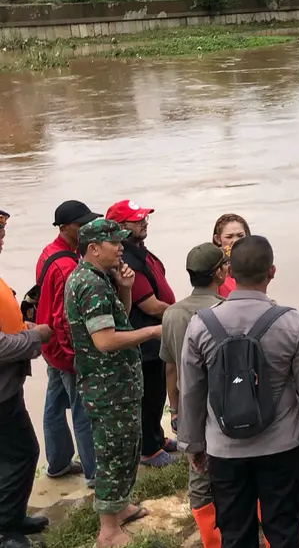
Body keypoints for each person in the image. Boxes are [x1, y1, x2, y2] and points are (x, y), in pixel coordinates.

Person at [179, 236, 299, 548]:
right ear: (272, 271)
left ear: (228, 273)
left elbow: (191, 391)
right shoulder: (291, 322)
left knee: (236, 535)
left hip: (224, 450)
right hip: (282, 447)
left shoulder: (200, 324)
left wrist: (193, 443)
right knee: (284, 533)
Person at [65, 219, 162, 548]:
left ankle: (119, 507)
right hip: (108, 386)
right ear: (93, 248)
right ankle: (108, 530)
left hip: (117, 383)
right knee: (114, 453)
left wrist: (124, 288)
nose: (121, 247)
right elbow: (105, 340)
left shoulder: (96, 277)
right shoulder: (89, 283)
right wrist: (153, 331)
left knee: (126, 448)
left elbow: (117, 317)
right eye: (114, 243)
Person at [160, 244, 229, 548]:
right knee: (237, 471)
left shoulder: (172, 314)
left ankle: (210, 541)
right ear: (219, 272)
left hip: (190, 407)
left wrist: (174, 410)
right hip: (227, 405)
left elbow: (171, 369)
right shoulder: (225, 309)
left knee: (199, 477)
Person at [106, 200, 177, 468]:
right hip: (143, 338)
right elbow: (150, 304)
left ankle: (157, 438)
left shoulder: (140, 251)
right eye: (136, 220)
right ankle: (147, 449)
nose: (143, 222)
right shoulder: (126, 261)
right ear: (120, 227)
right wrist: (183, 316)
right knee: (147, 396)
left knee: (157, 392)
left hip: (156, 336)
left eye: (144, 217)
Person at [0, 209, 54, 548]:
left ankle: (12, 517)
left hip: (7, 387)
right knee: (22, 453)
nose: (3, 236)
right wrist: (37, 337)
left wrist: (24, 325)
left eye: (3, 229)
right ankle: (6, 529)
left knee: (16, 453)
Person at [36, 201, 100, 486]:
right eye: (81, 225)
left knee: (53, 404)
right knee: (83, 409)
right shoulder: (66, 265)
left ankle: (59, 462)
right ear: (64, 228)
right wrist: (75, 356)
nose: (86, 228)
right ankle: (94, 473)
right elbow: (64, 319)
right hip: (65, 351)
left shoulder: (48, 253)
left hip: (49, 347)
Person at [212, 214, 250, 299]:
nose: (236, 241)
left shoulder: (256, 267)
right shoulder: (215, 275)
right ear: (217, 239)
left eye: (240, 236)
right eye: (229, 237)